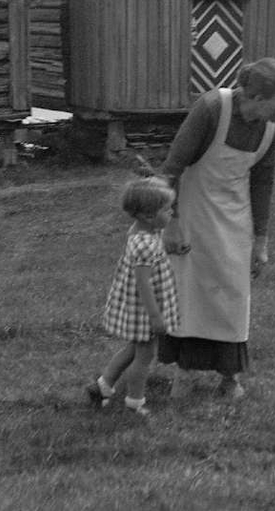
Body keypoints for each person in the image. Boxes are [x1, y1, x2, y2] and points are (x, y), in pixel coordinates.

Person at [156, 57, 275, 400]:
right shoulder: (211, 108)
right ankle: (185, 374)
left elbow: (263, 182)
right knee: (190, 293)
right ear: (257, 97)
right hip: (191, 213)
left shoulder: (268, 128)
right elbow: (171, 169)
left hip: (236, 217)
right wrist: (170, 223)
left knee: (234, 295)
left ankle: (229, 376)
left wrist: (260, 241)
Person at [86, 176, 182, 416]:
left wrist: (171, 248)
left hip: (137, 309)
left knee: (133, 349)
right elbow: (143, 283)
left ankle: (103, 386)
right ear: (149, 216)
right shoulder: (145, 244)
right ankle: (134, 402)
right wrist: (156, 317)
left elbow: (153, 255)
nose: (171, 213)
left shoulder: (142, 232)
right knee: (144, 357)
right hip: (144, 311)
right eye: (167, 209)